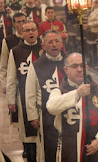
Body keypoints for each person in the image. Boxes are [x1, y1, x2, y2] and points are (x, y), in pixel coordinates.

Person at [46, 53, 98, 162]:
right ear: (66, 70)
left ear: (87, 68)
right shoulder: (59, 91)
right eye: (75, 66)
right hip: (68, 147)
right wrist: (76, 94)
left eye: (82, 66)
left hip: (94, 147)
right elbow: (51, 107)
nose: (79, 69)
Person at [26, 30, 66, 162]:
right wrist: (32, 116)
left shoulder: (69, 62)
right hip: (46, 115)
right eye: (50, 42)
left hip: (69, 113)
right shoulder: (36, 66)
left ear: (61, 44)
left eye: (57, 41)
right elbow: (30, 93)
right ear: (43, 46)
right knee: (49, 149)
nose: (54, 45)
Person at [6, 21, 41, 162]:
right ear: (22, 33)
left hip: (44, 96)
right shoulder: (15, 51)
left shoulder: (43, 48)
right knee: (29, 134)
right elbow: (11, 77)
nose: (31, 33)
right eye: (27, 30)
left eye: (33, 30)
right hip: (24, 97)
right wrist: (11, 100)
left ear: (38, 32)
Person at [0, 12, 25, 94]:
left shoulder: (34, 39)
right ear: (14, 24)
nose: (22, 24)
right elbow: (3, 65)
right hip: (16, 81)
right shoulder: (8, 41)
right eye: (18, 22)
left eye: (23, 21)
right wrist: (4, 84)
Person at [0, 0, 14, 70]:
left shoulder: (7, 12)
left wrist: (11, 13)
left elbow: (14, 20)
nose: (0, 5)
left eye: (2, 3)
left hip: (9, 36)